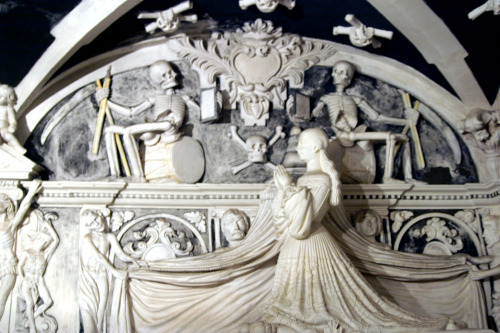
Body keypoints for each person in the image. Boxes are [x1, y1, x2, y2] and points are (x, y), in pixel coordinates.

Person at [263, 128, 456, 332]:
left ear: (315, 147)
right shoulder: (304, 181)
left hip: (310, 245)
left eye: (302, 143)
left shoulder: (322, 180)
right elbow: (286, 224)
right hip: (296, 248)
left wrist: (286, 188)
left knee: (320, 309)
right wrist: (285, 189)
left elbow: (302, 226)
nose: (298, 147)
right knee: (292, 304)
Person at [78, 208, 141, 333]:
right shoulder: (87, 237)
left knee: (102, 308)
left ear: (100, 215)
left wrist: (135, 261)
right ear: (88, 227)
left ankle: (99, 330)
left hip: (102, 275)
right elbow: (98, 256)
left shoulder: (109, 236)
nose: (97, 224)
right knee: (89, 308)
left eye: (96, 219)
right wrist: (113, 270)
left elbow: (121, 254)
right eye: (92, 223)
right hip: (89, 277)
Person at [0, 180, 41, 321]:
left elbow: (23, 208)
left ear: (6, 205)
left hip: (7, 266)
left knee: (1, 299)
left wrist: (30, 193)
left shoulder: (10, 225)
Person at [0, 84, 26, 154]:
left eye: (2, 96)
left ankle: (17, 147)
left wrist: (13, 125)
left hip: (3, 128)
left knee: (7, 135)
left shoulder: (8, 108)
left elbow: (12, 120)